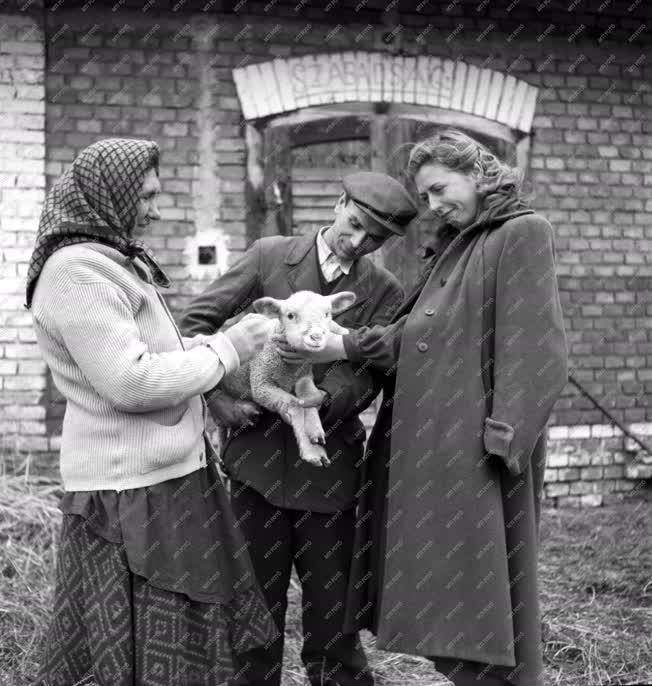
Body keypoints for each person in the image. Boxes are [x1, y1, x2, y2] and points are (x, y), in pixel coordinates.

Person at [276, 130, 569, 686]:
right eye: (426, 196)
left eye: (439, 189)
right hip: (438, 444)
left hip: (479, 447)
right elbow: (418, 333)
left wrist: (504, 440)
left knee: (486, 590)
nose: (432, 205)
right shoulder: (464, 241)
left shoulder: (523, 232)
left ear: (478, 172)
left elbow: (538, 349)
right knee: (456, 589)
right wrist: (350, 343)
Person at [27, 138, 279, 686]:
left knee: (185, 635)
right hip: (131, 490)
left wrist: (217, 355)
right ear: (108, 195)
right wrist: (229, 347)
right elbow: (133, 382)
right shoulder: (78, 274)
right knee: (152, 641)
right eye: (145, 196)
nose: (156, 209)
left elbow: (158, 360)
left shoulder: (113, 263)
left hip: (168, 476)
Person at [178, 171, 417, 686]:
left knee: (334, 615)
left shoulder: (383, 290)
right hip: (254, 465)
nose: (357, 243)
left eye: (374, 238)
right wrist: (216, 396)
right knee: (252, 610)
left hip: (330, 476)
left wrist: (324, 401)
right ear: (337, 203)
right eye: (353, 225)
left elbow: (371, 375)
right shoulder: (268, 256)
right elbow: (195, 325)